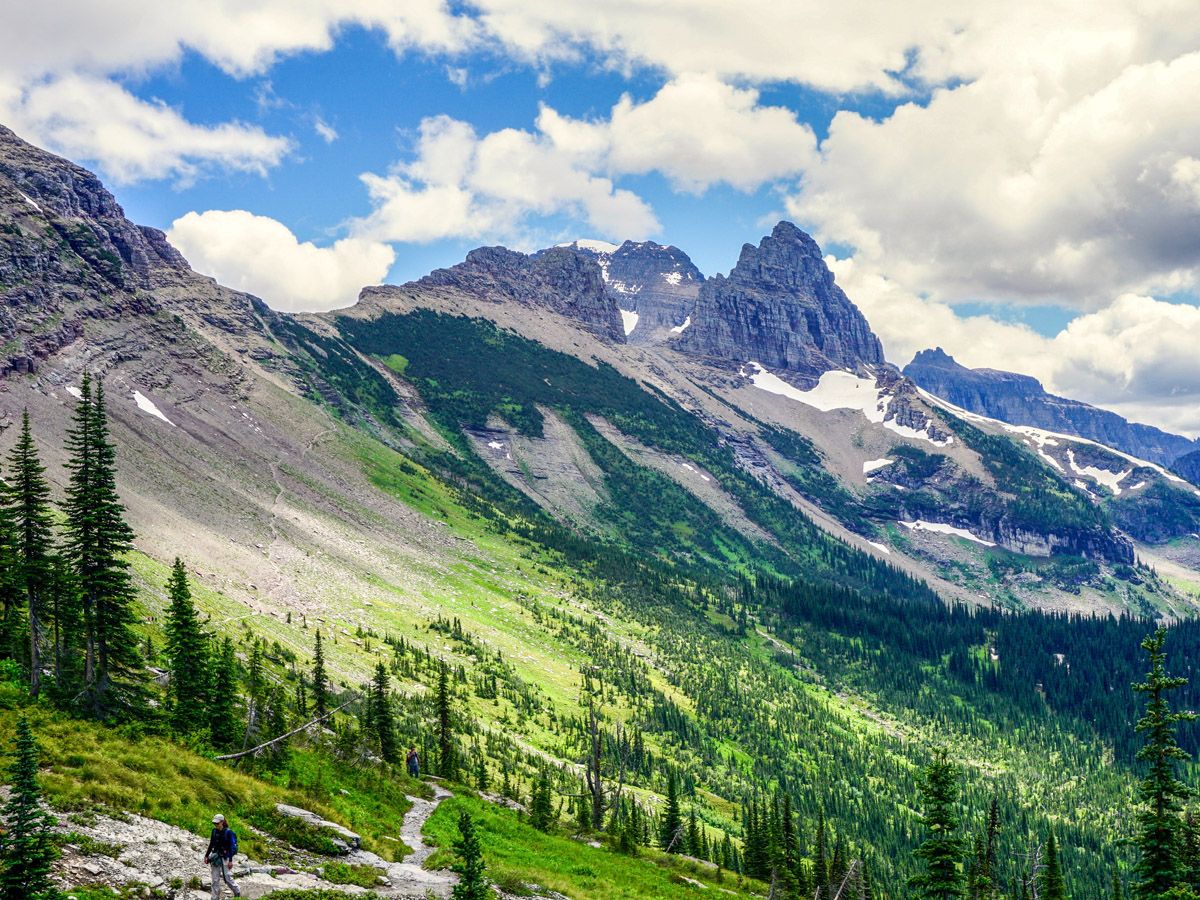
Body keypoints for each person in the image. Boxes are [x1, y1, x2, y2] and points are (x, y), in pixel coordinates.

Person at [204, 813, 240, 899]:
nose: (215, 825)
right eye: (214, 823)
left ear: (222, 822)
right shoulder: (214, 831)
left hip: (226, 857)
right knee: (215, 880)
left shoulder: (229, 832)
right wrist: (206, 855)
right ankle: (214, 897)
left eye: (217, 823)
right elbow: (211, 844)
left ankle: (237, 892)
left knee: (227, 878)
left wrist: (230, 861)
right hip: (215, 856)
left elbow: (231, 847)